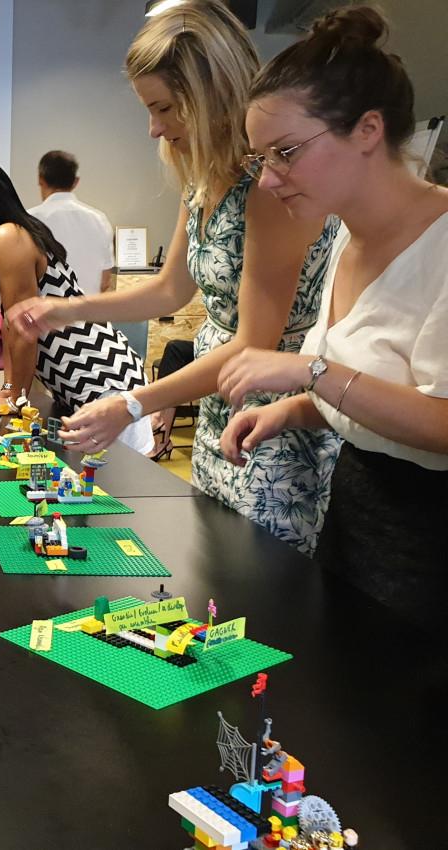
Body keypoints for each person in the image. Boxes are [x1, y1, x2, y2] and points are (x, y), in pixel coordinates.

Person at [9, 0, 339, 554]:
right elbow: (169, 289)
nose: (153, 129)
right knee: (217, 572)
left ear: (210, 96)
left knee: (261, 586)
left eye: (163, 109)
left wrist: (133, 403)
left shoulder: (268, 190)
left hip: (274, 423)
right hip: (220, 408)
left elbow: (252, 345)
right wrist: (65, 310)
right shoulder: (203, 181)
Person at [217, 7, 448, 615]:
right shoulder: (346, 234)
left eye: (286, 152)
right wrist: (296, 412)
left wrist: (308, 375)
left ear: (368, 130)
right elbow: (379, 394)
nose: (268, 181)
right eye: (260, 159)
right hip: (353, 504)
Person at [0, 160, 153, 455]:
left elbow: (25, 327)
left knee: (110, 494)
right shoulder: (8, 236)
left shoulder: (7, 236)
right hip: (88, 389)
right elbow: (11, 322)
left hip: (106, 385)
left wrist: (16, 398)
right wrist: (9, 388)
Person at [31, 151, 116, 295]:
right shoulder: (100, 220)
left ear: (40, 179)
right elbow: (105, 282)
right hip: (91, 314)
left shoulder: (29, 221)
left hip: (46, 316)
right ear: (75, 182)